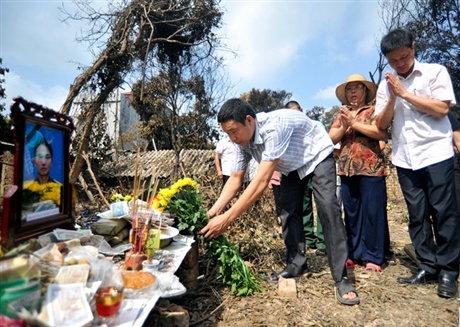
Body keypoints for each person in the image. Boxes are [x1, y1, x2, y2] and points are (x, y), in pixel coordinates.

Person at [200, 98, 359, 305]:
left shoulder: (274, 128)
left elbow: (261, 182)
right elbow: (235, 179)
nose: (232, 138)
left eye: (233, 131)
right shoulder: (239, 142)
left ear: (249, 120)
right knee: (288, 210)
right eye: (227, 133)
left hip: (316, 154)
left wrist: (227, 219)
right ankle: (296, 266)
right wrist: (212, 212)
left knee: (328, 207)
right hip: (291, 165)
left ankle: (341, 277)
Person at [375, 28, 460, 298]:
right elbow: (380, 124)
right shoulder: (385, 84)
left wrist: (405, 93)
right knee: (417, 213)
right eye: (393, 61)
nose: (399, 64)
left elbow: (442, 109)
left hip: (436, 151)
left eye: (404, 57)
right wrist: (392, 96)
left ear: (414, 47)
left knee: (443, 211)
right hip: (404, 156)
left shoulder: (435, 72)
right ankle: (427, 264)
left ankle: (448, 270)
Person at [329, 74, 389, 273]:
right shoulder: (341, 115)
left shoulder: (373, 110)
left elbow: (381, 133)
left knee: (373, 212)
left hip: (371, 169)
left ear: (365, 91)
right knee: (352, 212)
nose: (353, 91)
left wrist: (355, 124)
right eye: (349, 88)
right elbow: (331, 138)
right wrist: (346, 124)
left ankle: (373, 256)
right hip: (347, 170)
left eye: (357, 87)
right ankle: (354, 254)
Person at [285, 100, 326, 256]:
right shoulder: (288, 131)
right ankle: (309, 239)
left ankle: (323, 242)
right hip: (299, 172)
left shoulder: (316, 125)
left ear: (302, 110)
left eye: (297, 111)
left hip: (317, 169)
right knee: (304, 206)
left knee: (322, 204)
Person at [23, 139, 61, 213]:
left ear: (52, 162)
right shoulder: (26, 192)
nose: (43, 162)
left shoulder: (60, 190)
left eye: (47, 157)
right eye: (40, 157)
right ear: (34, 161)